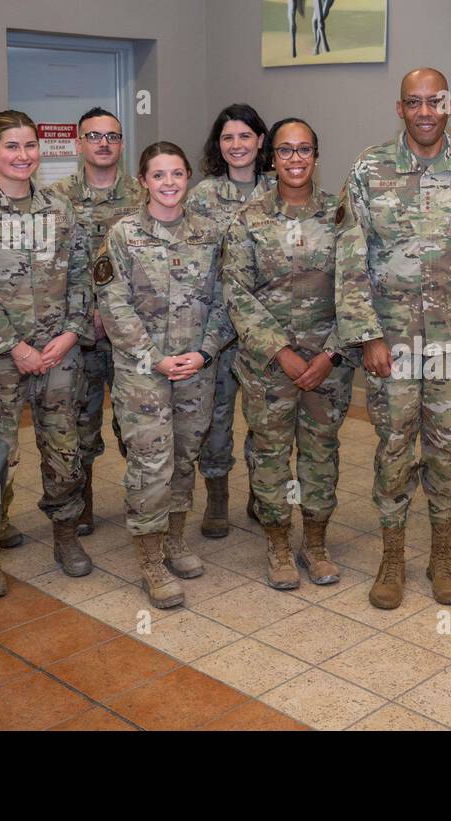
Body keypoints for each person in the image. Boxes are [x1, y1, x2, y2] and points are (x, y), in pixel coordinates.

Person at [336, 67, 451, 609]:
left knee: (444, 447)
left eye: (433, 101)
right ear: (400, 109)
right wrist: (367, 334)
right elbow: (351, 258)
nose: (423, 111)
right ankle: (392, 559)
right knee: (392, 447)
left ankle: (440, 555)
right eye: (412, 102)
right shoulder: (370, 169)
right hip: (391, 342)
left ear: (449, 105)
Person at [0, 110, 93, 598]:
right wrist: (14, 346)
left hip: (58, 355)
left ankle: (65, 536)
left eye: (30, 146)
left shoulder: (59, 209)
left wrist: (70, 333)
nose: (23, 156)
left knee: (66, 449)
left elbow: (84, 275)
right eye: (11, 147)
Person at [95, 141, 231, 609]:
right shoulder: (123, 234)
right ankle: (150, 557)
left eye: (177, 174)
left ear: (188, 176)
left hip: (196, 370)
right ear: (143, 182)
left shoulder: (211, 233)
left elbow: (225, 300)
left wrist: (206, 352)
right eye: (159, 175)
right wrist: (153, 356)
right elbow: (113, 303)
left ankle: (175, 539)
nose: (169, 183)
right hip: (142, 373)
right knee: (151, 463)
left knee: (184, 456)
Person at [223, 118, 352, 590]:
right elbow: (236, 292)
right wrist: (281, 352)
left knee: (321, 454)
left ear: (316, 155)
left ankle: (315, 544)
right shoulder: (249, 220)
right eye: (285, 151)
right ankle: (278, 543)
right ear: (271, 158)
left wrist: (330, 355)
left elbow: (359, 289)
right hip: (268, 368)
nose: (295, 159)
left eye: (304, 150)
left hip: (327, 366)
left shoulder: (342, 215)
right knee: (270, 454)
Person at [49, 107, 145, 536]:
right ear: (78, 144)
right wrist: (85, 316)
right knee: (79, 423)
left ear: (122, 144)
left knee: (138, 424)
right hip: (79, 334)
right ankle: (80, 503)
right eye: (94, 136)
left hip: (132, 334)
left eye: (112, 136)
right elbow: (51, 268)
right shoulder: (55, 199)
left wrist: (116, 316)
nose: (104, 143)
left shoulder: (145, 194)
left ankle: (144, 503)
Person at [187, 104, 275, 538]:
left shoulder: (282, 188)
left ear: (261, 141)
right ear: (218, 145)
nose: (236, 145)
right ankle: (217, 497)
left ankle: (263, 494)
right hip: (218, 329)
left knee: (266, 417)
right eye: (227, 138)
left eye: (245, 136)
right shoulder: (202, 195)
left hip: (267, 326)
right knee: (215, 417)